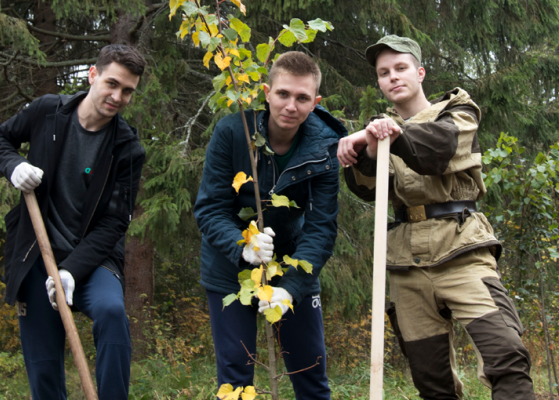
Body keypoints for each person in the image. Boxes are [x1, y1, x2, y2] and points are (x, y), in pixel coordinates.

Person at [338, 35, 535, 399]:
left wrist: (385, 136)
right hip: (406, 263)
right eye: (384, 73)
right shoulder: (379, 128)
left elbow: (437, 152)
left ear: (420, 72)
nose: (393, 77)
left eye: (401, 68)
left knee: (505, 354)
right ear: (379, 82)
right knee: (431, 380)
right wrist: (360, 149)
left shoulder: (458, 110)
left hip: (462, 250)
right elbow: (368, 188)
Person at [0, 44, 146, 400]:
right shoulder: (47, 111)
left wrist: (71, 269)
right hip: (35, 255)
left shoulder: (128, 149)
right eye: (112, 84)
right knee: (43, 370)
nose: (118, 96)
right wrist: (14, 166)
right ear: (93, 75)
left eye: (128, 91)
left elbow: (115, 224)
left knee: (111, 313)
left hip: (92, 260)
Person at [194, 51, 347, 399]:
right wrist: (241, 246)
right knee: (235, 375)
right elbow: (209, 209)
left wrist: (290, 288)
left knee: (310, 372)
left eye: (302, 97)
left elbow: (322, 228)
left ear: (315, 101)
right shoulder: (232, 133)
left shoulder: (326, 148)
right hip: (227, 266)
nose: (291, 105)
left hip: (293, 261)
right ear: (266, 92)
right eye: (283, 94)